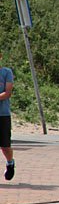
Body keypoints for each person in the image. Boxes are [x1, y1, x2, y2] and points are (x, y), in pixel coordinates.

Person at [0, 53, 14, 181]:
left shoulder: (6, 72)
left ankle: (10, 163)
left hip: (2, 114)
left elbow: (7, 92)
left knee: (5, 146)